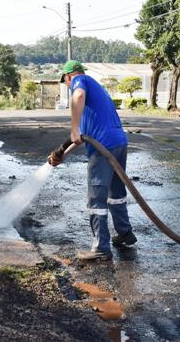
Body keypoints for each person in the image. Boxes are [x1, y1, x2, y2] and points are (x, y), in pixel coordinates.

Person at [49, 60, 137, 261]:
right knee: (116, 192)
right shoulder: (96, 90)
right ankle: (125, 233)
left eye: (65, 82)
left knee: (96, 197)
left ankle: (101, 248)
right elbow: (83, 138)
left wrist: (73, 128)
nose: (67, 86)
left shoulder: (80, 82)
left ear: (69, 76)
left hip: (103, 146)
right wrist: (63, 154)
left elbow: (77, 97)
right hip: (118, 142)